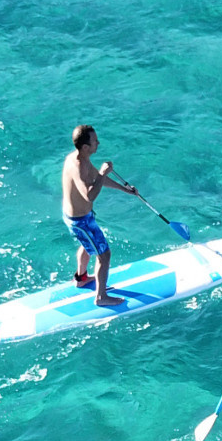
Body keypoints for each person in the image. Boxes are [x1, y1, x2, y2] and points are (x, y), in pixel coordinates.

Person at [61, 124, 139, 308]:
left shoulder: (80, 158)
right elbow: (89, 194)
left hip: (80, 217)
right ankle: (101, 297)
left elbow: (97, 178)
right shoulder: (78, 166)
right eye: (95, 141)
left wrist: (125, 189)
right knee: (104, 255)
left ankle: (81, 278)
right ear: (86, 147)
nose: (98, 142)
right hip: (80, 221)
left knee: (86, 245)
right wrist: (103, 173)